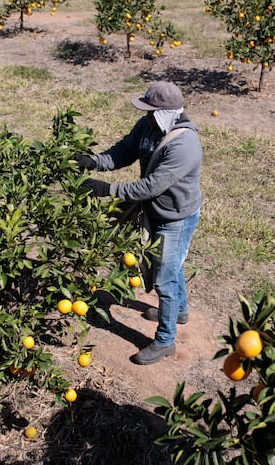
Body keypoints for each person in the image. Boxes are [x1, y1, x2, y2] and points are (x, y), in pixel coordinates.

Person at [75, 81, 202, 365]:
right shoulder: (147, 127)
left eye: (151, 111)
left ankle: (165, 340)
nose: (146, 116)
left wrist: (107, 190)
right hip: (156, 211)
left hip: (176, 217)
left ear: (167, 112)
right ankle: (179, 310)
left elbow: (151, 186)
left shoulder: (184, 144)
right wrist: (94, 162)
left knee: (164, 278)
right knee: (167, 266)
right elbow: (123, 151)